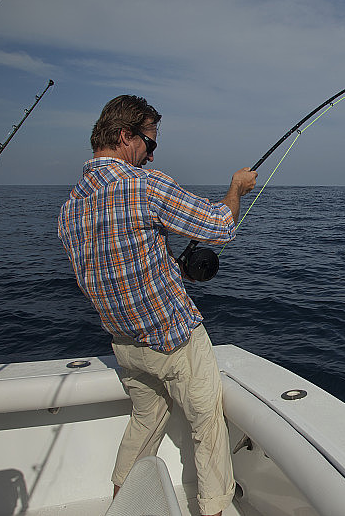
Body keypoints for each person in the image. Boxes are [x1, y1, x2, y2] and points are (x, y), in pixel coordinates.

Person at [57, 95, 256, 516]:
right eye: (150, 143)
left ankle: (121, 505)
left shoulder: (70, 208)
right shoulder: (142, 185)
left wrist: (171, 268)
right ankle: (214, 509)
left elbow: (118, 266)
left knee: (146, 421)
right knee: (207, 424)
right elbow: (220, 225)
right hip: (173, 340)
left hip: (126, 346)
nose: (151, 155)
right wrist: (236, 188)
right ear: (125, 136)